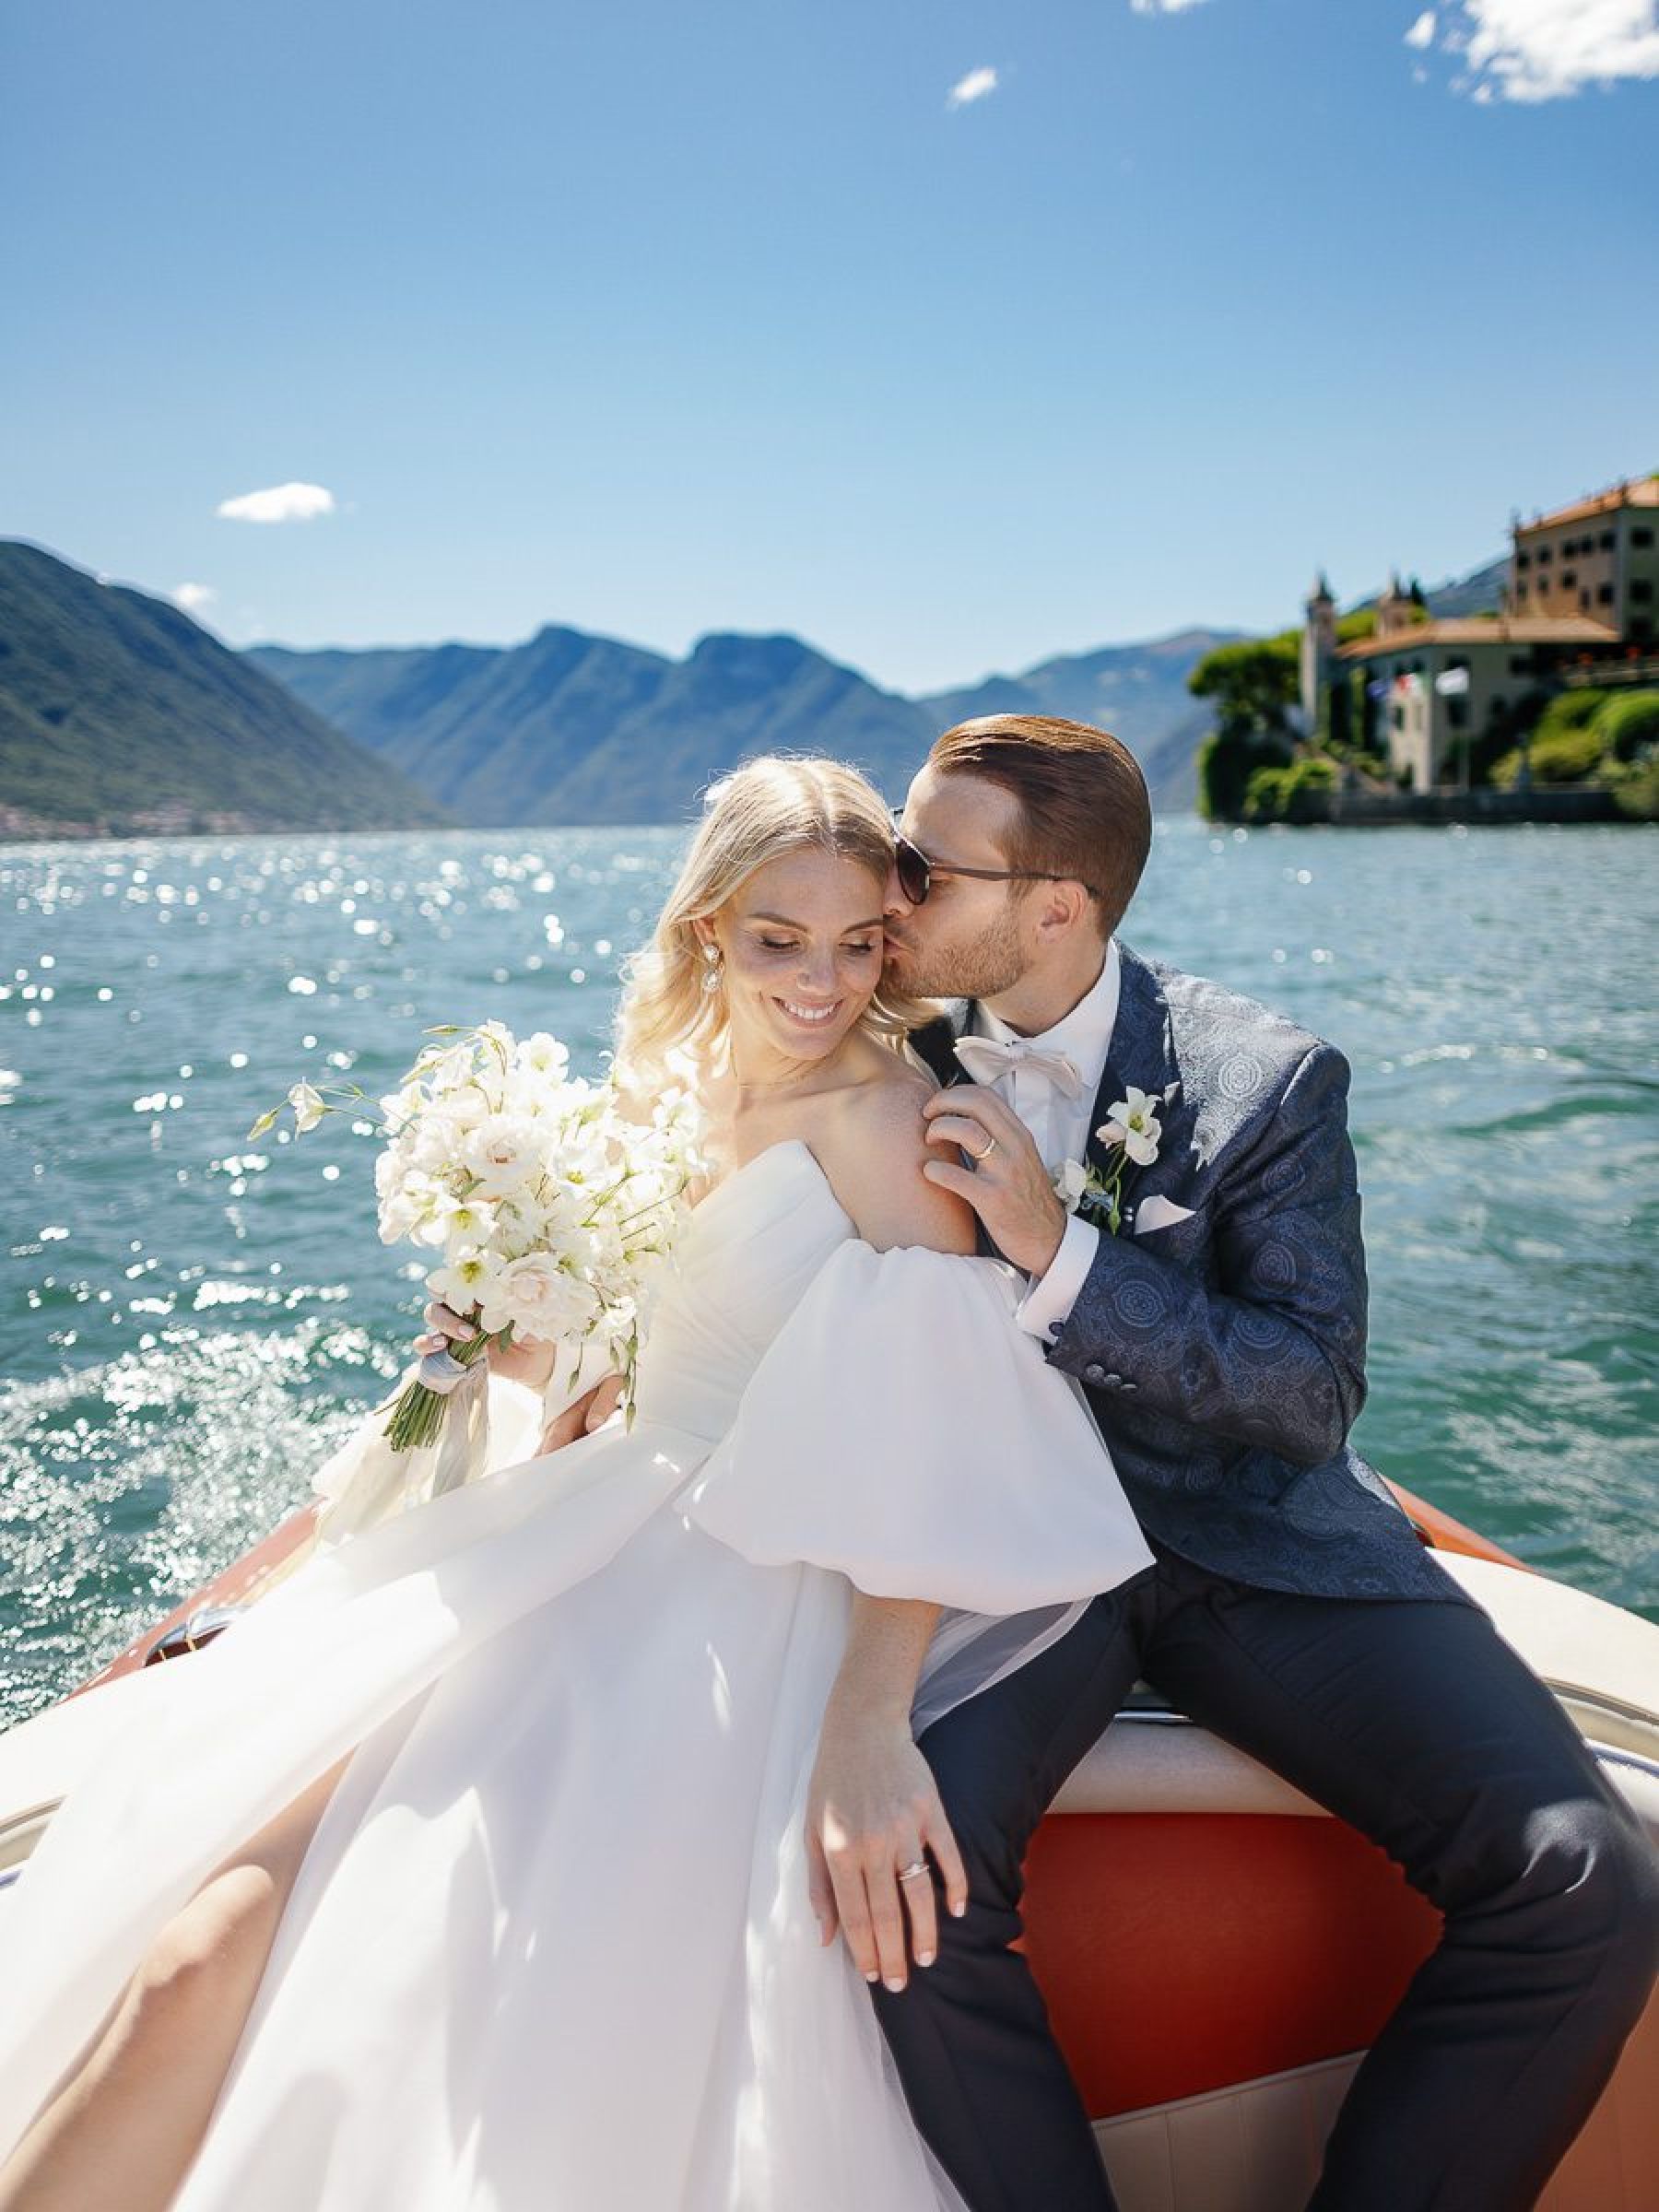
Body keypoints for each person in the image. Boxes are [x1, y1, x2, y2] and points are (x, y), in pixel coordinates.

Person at [0, 756, 1154, 2212]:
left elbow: (946, 1431)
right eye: (779, 940)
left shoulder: (887, 1123)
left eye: (860, 944)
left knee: (371, 1970)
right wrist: (504, 1330)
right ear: (706, 929)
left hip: (737, 1599)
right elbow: (606, 1357)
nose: (823, 984)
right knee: (190, 1954)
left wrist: (867, 1722)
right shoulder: (657, 1086)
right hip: (583, 1531)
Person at [802, 712, 1658, 2212]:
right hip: (1013, 1553)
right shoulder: (869, 1047)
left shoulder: (1266, 1080)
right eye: (892, 851)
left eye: (926, 868)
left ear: (1056, 906)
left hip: (1259, 1543)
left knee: (1589, 1878)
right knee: (903, 1876)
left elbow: (1313, 1392)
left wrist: (1060, 1251)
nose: (888, 893)